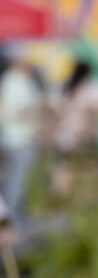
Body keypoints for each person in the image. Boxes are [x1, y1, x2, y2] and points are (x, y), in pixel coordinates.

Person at [50, 58, 98, 197]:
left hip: (64, 137)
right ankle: (83, 199)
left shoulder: (64, 86)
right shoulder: (93, 88)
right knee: (88, 172)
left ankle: (60, 200)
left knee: (63, 171)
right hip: (85, 137)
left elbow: (52, 105)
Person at [0, 53, 45, 241]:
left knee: (19, 181)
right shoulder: (14, 82)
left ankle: (17, 221)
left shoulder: (15, 82)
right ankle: (12, 223)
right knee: (17, 181)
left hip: (19, 137)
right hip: (17, 138)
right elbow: (12, 111)